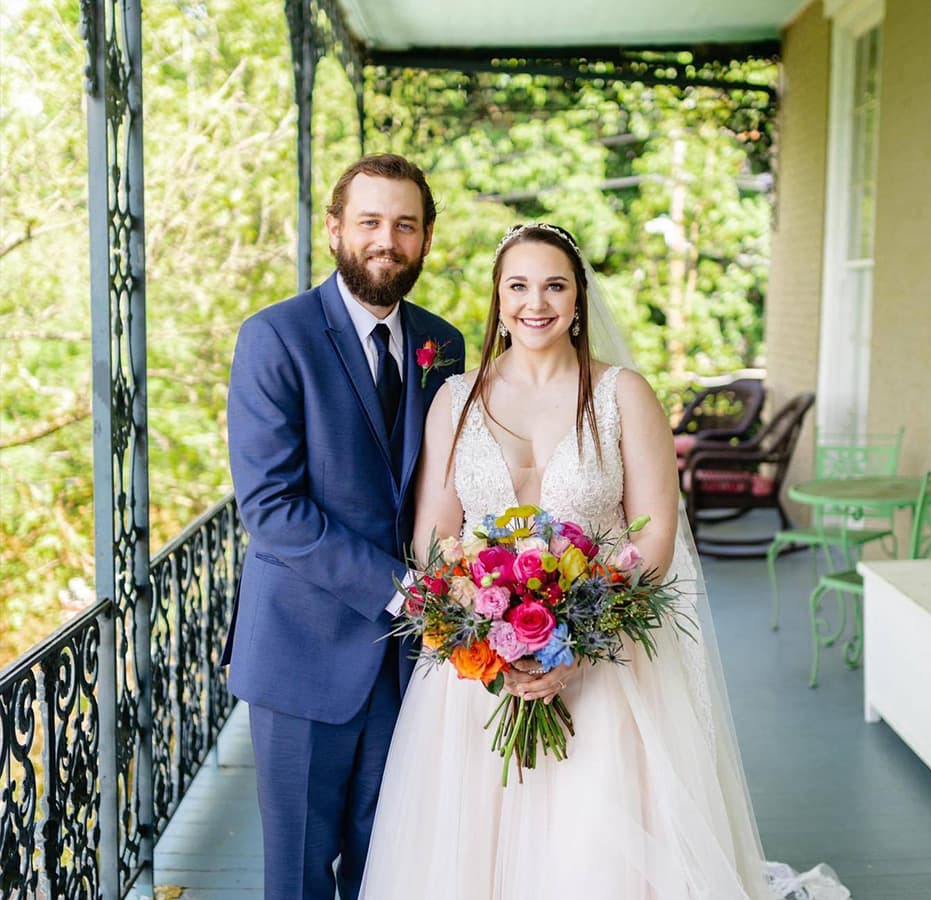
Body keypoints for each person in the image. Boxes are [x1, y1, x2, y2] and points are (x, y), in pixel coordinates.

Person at [358, 224, 849, 899]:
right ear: (498, 300)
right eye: (519, 286)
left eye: (555, 285)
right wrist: (485, 630)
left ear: (579, 299)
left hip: (607, 662)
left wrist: (575, 646)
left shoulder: (624, 395)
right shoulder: (454, 400)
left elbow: (655, 541)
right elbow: (434, 539)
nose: (537, 303)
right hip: (477, 675)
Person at [222, 153, 465, 900]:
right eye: (369, 222)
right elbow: (272, 508)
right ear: (335, 230)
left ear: (425, 239)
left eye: (405, 224)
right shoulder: (276, 338)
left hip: (410, 667)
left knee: (389, 863)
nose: (386, 240)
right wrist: (406, 594)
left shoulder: (443, 344)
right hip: (303, 654)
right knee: (297, 873)